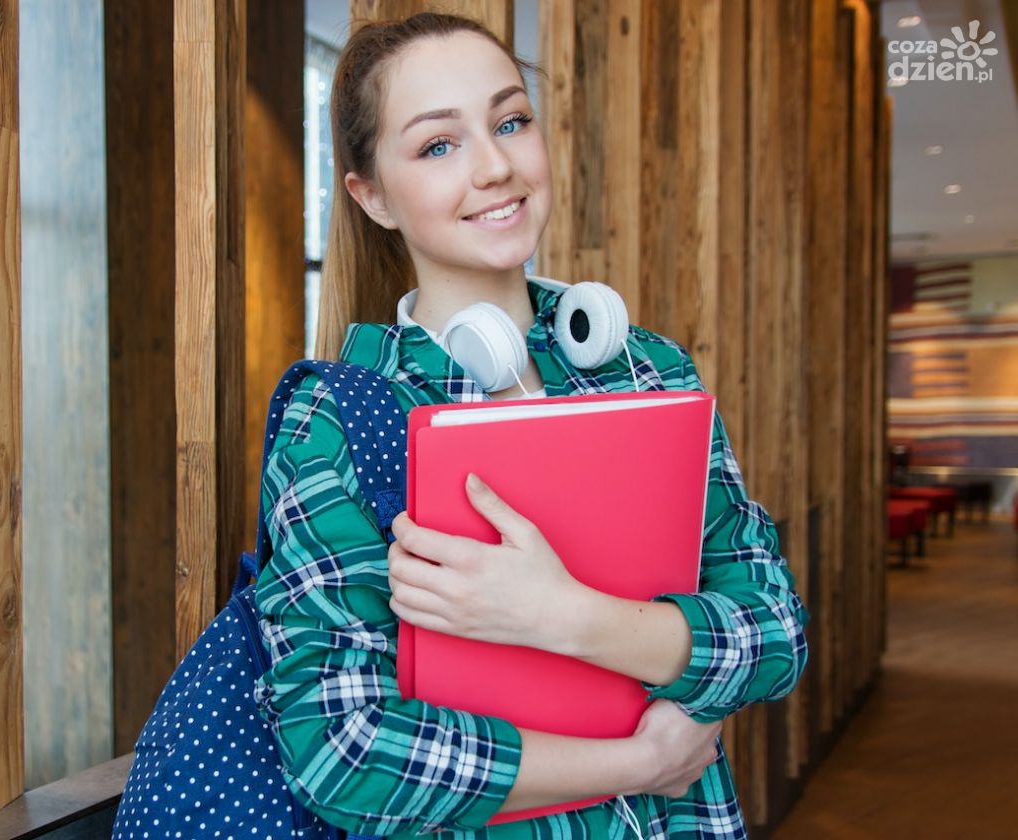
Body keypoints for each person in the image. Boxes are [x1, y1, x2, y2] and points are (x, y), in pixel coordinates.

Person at [253, 12, 808, 839]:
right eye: (439, 146)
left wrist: (565, 617)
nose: (497, 165)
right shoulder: (338, 418)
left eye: (511, 121)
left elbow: (775, 631)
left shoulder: (648, 370)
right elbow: (343, 750)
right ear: (371, 196)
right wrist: (639, 763)